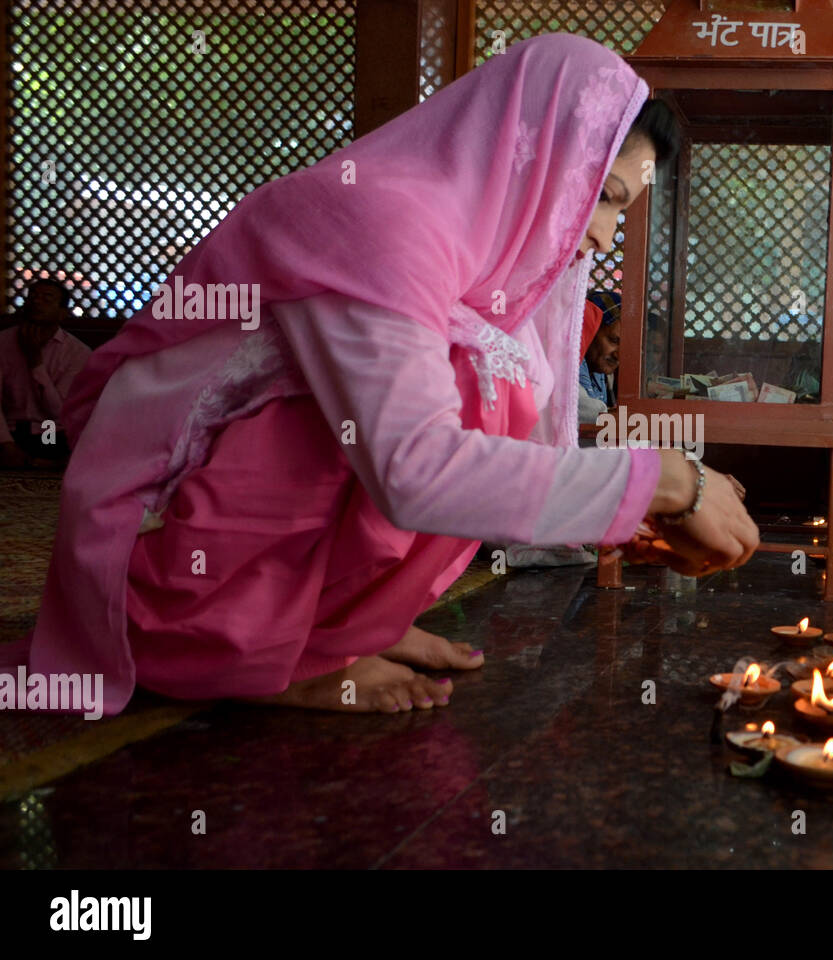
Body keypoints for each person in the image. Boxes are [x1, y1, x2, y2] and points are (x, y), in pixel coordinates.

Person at [7, 34, 759, 717]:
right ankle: (239, 648)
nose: (598, 233)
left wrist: (631, 516)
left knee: (496, 371)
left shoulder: (466, 262)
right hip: (150, 550)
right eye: (600, 196)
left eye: (617, 212)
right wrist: (663, 480)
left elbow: (518, 456)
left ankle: (328, 631)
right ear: (532, 152)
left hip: (216, 520)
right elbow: (416, 470)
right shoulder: (380, 222)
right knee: (475, 381)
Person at [0, 277, 91, 468]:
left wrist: (35, 362)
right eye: (32, 296)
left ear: (62, 313)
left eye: (47, 298)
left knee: (56, 442)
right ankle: (34, 462)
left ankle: (42, 462)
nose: (37, 301)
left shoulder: (76, 352)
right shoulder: (3, 342)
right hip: (9, 430)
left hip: (48, 430)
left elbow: (57, 411)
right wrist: (6, 443)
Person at [579, 290, 620, 416]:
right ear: (590, 332)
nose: (618, 355)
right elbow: (588, 413)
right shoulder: (571, 363)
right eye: (613, 340)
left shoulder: (598, 371)